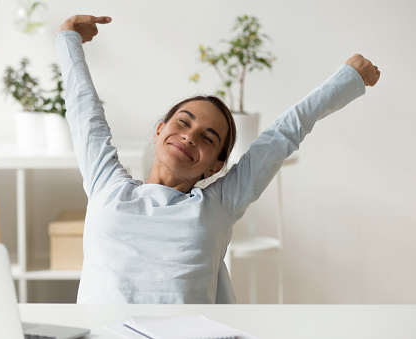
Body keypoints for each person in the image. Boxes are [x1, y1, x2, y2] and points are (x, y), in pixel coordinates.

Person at [55, 15, 380, 304]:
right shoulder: (107, 187)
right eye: (183, 122)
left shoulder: (217, 205)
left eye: (208, 138)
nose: (190, 135)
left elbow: (280, 137)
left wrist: (347, 80)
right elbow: (84, 112)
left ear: (215, 166)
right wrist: (69, 38)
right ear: (158, 131)